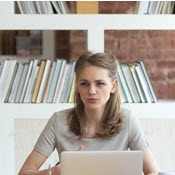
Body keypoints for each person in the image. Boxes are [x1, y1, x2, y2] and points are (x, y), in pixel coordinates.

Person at [19, 52, 159, 175]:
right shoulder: (58, 121)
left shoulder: (127, 119)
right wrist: (52, 173)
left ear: (113, 86)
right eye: (84, 84)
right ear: (77, 87)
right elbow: (24, 173)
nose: (91, 91)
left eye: (100, 84)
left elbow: (152, 171)